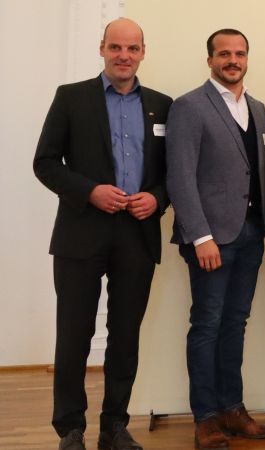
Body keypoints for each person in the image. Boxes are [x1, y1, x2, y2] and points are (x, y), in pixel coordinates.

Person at [32, 17, 171, 450]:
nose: (124, 56)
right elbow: (46, 162)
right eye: (116, 47)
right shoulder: (71, 98)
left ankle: (114, 427)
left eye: (132, 48)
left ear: (143, 52)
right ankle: (70, 429)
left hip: (137, 234)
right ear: (102, 49)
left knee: (125, 335)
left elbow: (173, 173)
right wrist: (89, 191)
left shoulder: (163, 105)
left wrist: (158, 199)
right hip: (81, 234)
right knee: (74, 334)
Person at [166, 28, 265, 449]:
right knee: (207, 325)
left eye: (239, 53)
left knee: (236, 324)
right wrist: (200, 237)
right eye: (224, 53)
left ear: (248, 57)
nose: (233, 60)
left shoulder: (259, 109)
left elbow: (262, 174)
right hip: (211, 241)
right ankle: (206, 418)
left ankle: (233, 408)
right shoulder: (190, 107)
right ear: (209, 58)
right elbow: (179, 177)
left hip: (251, 236)